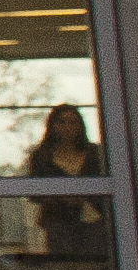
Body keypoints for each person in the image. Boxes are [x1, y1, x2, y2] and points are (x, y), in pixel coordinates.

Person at [23, 103, 110, 259]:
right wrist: (62, 198)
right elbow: (35, 193)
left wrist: (86, 197)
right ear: (52, 126)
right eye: (62, 122)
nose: (68, 127)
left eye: (73, 122)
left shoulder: (95, 153)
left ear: (80, 125)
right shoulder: (42, 156)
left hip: (94, 220)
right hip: (59, 223)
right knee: (65, 263)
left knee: (94, 262)